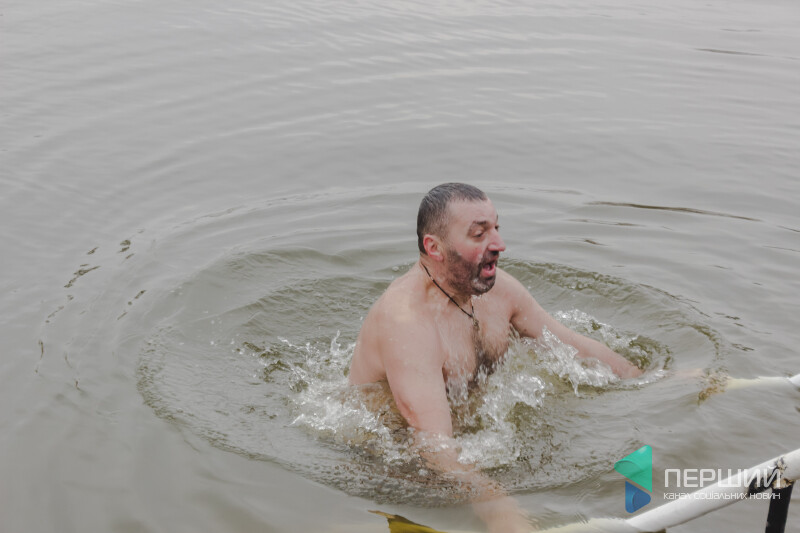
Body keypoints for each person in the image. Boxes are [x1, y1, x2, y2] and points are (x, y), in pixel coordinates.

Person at [348, 183, 643, 532]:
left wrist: (654, 381)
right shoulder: (406, 323)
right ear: (434, 247)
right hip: (393, 474)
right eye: (479, 234)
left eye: (497, 228)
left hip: (465, 452)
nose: (499, 244)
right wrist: (501, 510)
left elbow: (574, 348)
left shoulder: (497, 291)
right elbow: (434, 448)